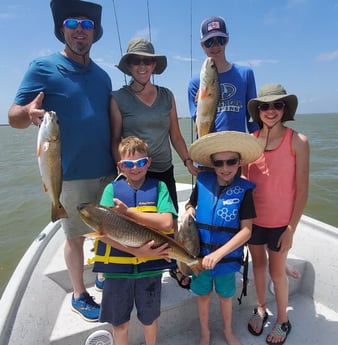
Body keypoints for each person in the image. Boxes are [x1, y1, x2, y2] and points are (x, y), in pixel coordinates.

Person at [8, 0, 116, 322]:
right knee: (73, 236)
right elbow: (13, 115)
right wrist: (27, 113)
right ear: (62, 31)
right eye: (72, 25)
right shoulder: (42, 67)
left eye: (86, 26)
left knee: (104, 230)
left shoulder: (103, 77)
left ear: (95, 33)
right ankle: (79, 294)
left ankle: (101, 272)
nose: (80, 31)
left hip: (107, 171)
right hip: (67, 173)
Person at [110, 37, 198, 289]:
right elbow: (115, 138)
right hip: (135, 172)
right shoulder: (118, 98)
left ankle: (172, 265)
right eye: (136, 61)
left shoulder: (167, 96)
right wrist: (121, 168)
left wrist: (188, 161)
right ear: (128, 65)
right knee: (134, 223)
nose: (142, 66)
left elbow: (176, 135)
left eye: (147, 61)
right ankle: (132, 264)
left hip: (164, 169)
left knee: (167, 224)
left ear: (154, 65)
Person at [184, 131, 264, 345]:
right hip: (199, 257)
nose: (225, 168)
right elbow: (190, 203)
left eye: (231, 162)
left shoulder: (244, 190)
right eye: (219, 163)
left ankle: (228, 331)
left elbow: (247, 230)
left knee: (225, 297)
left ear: (239, 162)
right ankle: (205, 333)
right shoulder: (202, 181)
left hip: (226, 260)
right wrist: (189, 209)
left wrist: (219, 254)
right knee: (203, 296)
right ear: (212, 164)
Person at [96, 136, 176, 345]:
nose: (135, 168)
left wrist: (129, 212)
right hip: (117, 271)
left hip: (150, 270)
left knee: (149, 319)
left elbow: (167, 222)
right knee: (119, 322)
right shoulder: (111, 191)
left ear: (148, 162)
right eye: (129, 164)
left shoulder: (159, 188)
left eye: (141, 162)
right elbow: (103, 232)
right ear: (120, 166)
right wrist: (137, 253)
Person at [245, 84, 309, 344]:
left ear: (285, 109)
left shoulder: (298, 141)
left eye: (277, 105)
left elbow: (302, 191)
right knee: (258, 266)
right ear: (258, 111)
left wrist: (291, 228)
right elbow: (241, 180)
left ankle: (283, 319)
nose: (271, 111)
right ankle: (261, 308)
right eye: (265, 106)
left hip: (282, 223)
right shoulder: (249, 142)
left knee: (277, 271)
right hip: (253, 221)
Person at [188, 16, 259, 135]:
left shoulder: (246, 74)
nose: (215, 46)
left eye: (220, 40)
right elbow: (199, 119)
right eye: (209, 42)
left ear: (227, 40)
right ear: (202, 45)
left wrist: (259, 146)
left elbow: (253, 119)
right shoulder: (195, 82)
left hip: (238, 146)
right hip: (208, 145)